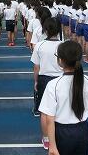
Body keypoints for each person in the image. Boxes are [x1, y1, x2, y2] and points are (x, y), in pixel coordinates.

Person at [39, 41, 88, 155]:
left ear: (60, 61)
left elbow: (49, 119)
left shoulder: (53, 85)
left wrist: (52, 146)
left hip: (61, 133)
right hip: (82, 131)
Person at [30, 18, 63, 150]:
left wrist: (36, 81)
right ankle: (58, 136)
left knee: (45, 111)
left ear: (46, 30)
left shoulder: (39, 45)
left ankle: (47, 139)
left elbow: (36, 67)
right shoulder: (63, 45)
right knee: (60, 109)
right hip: (61, 79)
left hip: (44, 79)